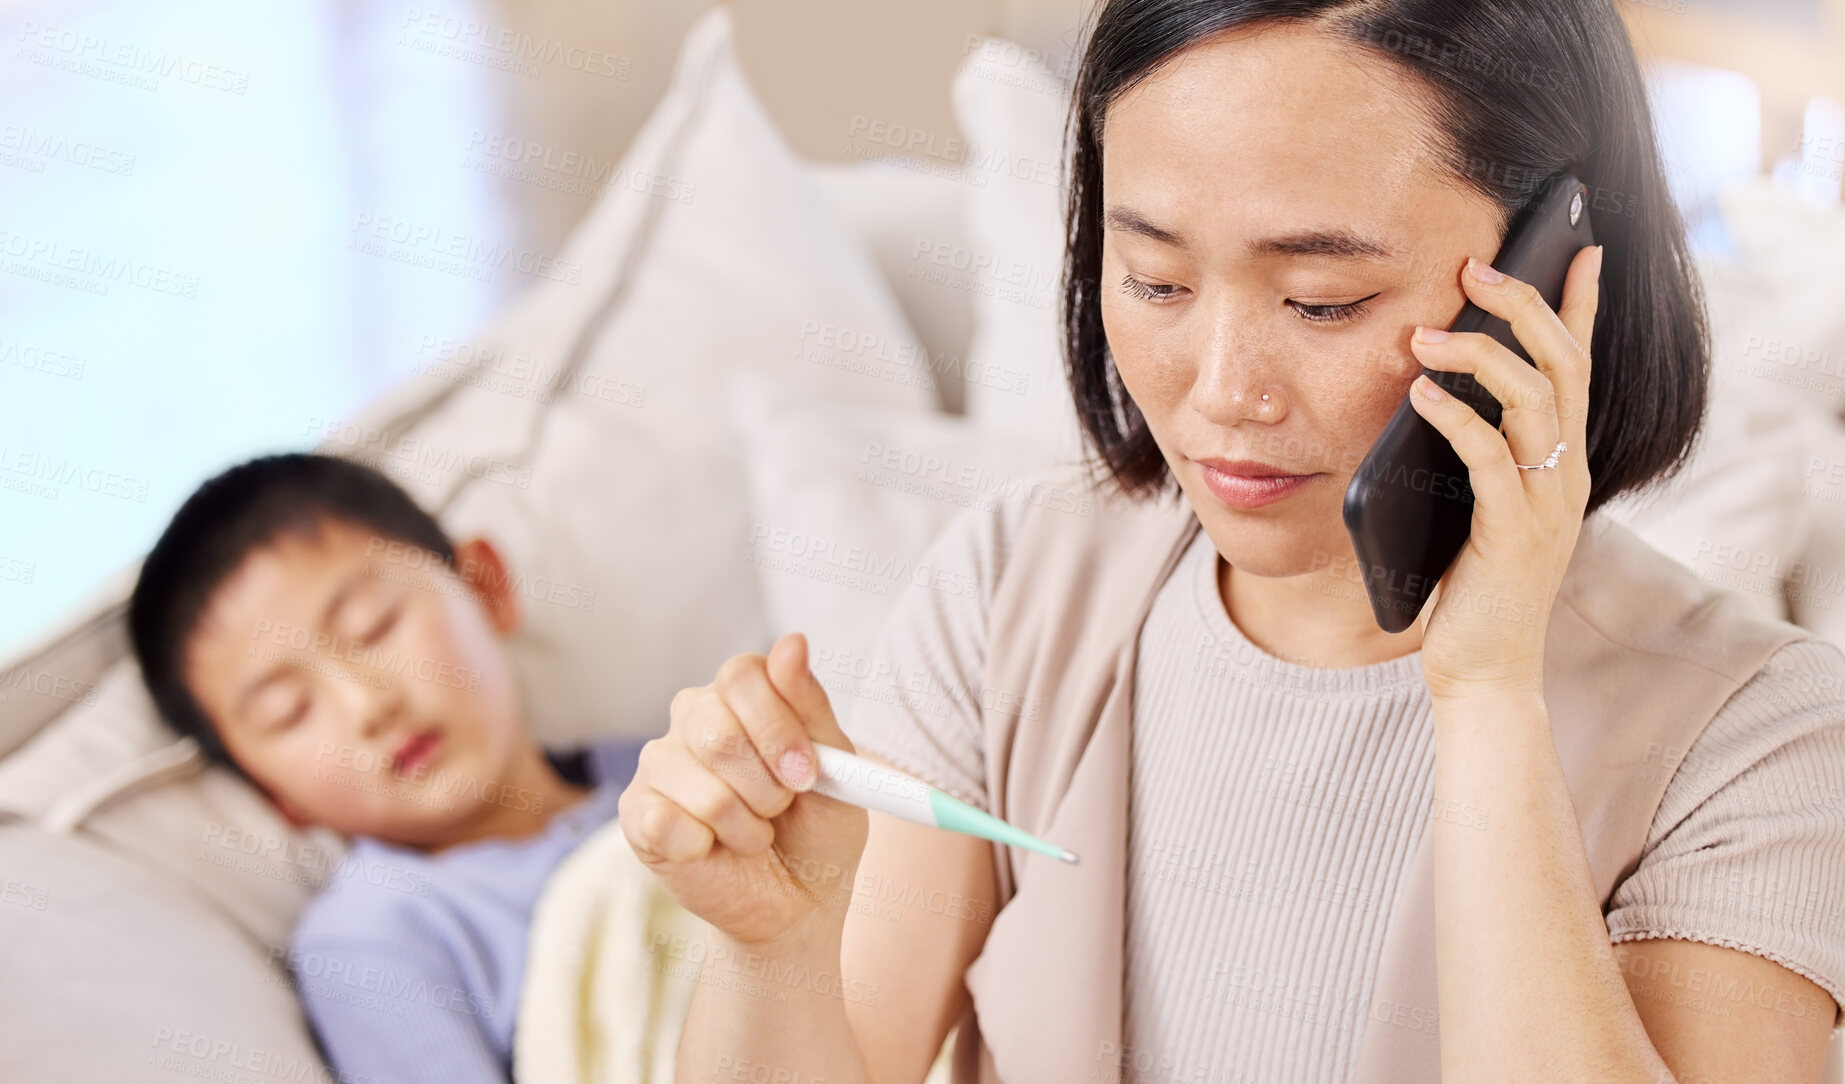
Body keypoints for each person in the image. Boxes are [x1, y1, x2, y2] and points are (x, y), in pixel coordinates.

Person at [618, 1, 1845, 1082]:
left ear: (1551, 276)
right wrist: (773, 947)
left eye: (1323, 302)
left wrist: (1484, 696)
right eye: (1154, 280)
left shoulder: (1759, 738)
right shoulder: (1014, 590)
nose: (1220, 392)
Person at [127, 452, 644, 1084]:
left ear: (484, 590)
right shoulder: (372, 942)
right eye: (290, 712)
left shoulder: (661, 763)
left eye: (374, 627)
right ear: (278, 797)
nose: (369, 705)